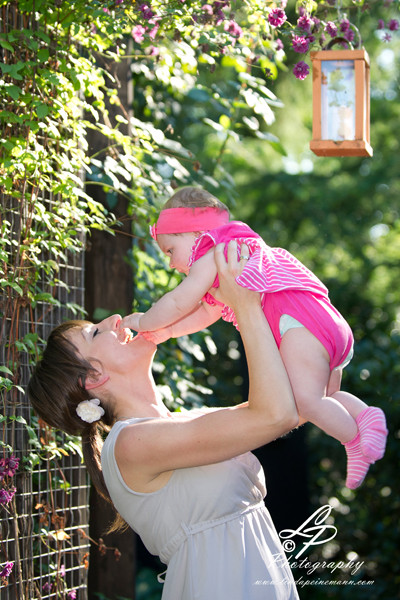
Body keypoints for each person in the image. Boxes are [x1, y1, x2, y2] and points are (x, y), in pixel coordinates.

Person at [28, 241, 300, 600]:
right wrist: (245, 304)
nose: (113, 319)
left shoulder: (179, 422)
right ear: (92, 378)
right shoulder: (128, 445)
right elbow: (274, 415)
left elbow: (293, 404)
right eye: (95, 332)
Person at [121, 186, 388, 490]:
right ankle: (362, 417)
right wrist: (168, 331)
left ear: (195, 233)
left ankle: (353, 439)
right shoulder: (230, 260)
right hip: (321, 322)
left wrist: (146, 320)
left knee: (306, 401)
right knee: (321, 398)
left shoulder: (215, 252)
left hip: (299, 323)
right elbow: (204, 314)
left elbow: (180, 301)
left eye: (170, 250)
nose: (170, 263)